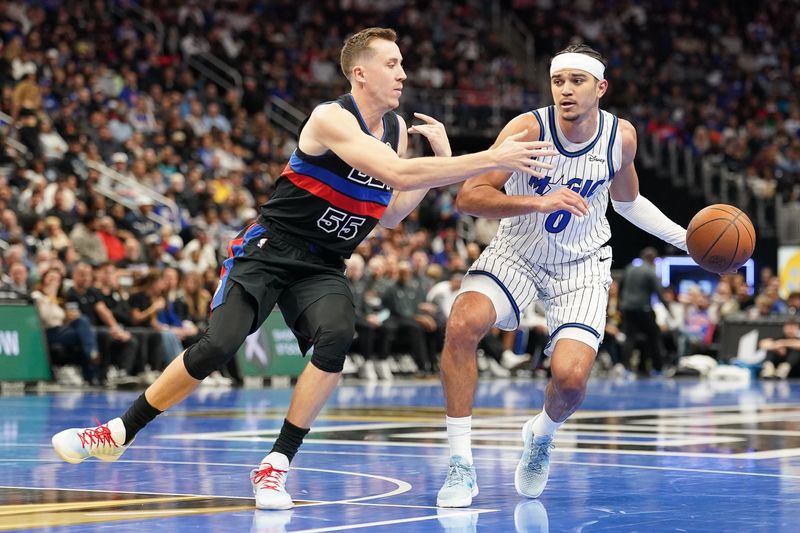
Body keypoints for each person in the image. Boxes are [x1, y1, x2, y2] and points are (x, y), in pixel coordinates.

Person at [51, 27, 555, 511]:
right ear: (360, 73)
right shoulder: (330, 118)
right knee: (217, 346)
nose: (403, 73)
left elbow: (394, 210)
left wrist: (444, 162)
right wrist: (484, 157)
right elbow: (398, 172)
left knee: (337, 338)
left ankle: (275, 463)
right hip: (269, 252)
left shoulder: (398, 130)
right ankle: (118, 432)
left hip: (324, 265)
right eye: (392, 64)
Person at [436, 44, 688, 508]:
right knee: (461, 324)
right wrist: (536, 200)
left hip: (582, 265)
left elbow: (628, 202)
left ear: (600, 88)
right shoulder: (527, 129)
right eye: (558, 81)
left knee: (570, 380)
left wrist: (686, 240)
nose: (566, 90)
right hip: (518, 251)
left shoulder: (622, 137)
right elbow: (470, 197)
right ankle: (460, 465)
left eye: (577, 81)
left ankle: (542, 434)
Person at [618, 247, 669, 376]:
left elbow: (620, 286)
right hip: (643, 309)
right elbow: (659, 293)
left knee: (629, 338)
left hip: (628, 308)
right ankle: (658, 368)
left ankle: (625, 368)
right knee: (654, 336)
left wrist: (622, 302)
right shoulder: (650, 272)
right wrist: (668, 309)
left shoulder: (629, 268)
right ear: (653, 259)